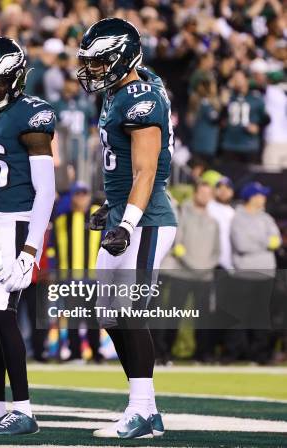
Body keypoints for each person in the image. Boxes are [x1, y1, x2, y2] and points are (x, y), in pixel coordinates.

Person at [77, 18, 177, 439]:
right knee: (108, 313)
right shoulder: (122, 92)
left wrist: (128, 222)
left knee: (130, 312)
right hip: (125, 213)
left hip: (147, 218)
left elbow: (146, 170)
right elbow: (123, 169)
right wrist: (110, 207)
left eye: (101, 62)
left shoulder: (140, 98)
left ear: (122, 59)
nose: (93, 70)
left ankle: (140, 409)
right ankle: (147, 411)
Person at [0, 37, 55, 436]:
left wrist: (30, 248)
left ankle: (24, 410)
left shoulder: (32, 115)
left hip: (18, 222)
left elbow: (47, 190)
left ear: (17, 77)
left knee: (2, 315)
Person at [158, 181, 220, 363]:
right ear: (195, 194)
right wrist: (193, 264)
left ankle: (202, 354)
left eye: (208, 194)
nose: (205, 197)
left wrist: (206, 267)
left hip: (205, 276)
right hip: (182, 274)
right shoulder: (183, 214)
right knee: (173, 316)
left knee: (204, 319)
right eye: (202, 193)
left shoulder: (213, 221)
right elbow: (178, 244)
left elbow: (217, 251)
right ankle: (166, 352)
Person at [46, 181, 104, 364]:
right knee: (73, 317)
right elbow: (52, 247)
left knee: (94, 318)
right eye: (78, 194)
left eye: (84, 194)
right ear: (72, 197)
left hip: (94, 277)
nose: (81, 198)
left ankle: (95, 353)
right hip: (69, 277)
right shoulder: (62, 219)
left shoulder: (98, 215)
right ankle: (74, 353)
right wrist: (53, 270)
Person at [225, 181, 280, 364]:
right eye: (261, 195)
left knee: (261, 319)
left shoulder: (267, 218)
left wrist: (260, 241)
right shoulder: (238, 218)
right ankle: (236, 354)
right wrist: (265, 243)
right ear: (252, 197)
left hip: (265, 275)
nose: (264, 198)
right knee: (239, 318)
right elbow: (242, 245)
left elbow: (277, 241)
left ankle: (260, 356)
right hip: (244, 274)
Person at [220, 70, 268, 165]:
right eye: (234, 78)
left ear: (246, 79)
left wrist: (258, 127)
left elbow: (267, 119)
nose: (237, 80)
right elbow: (220, 118)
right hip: (230, 144)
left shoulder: (255, 97)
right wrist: (224, 104)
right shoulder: (229, 96)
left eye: (239, 78)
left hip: (249, 145)